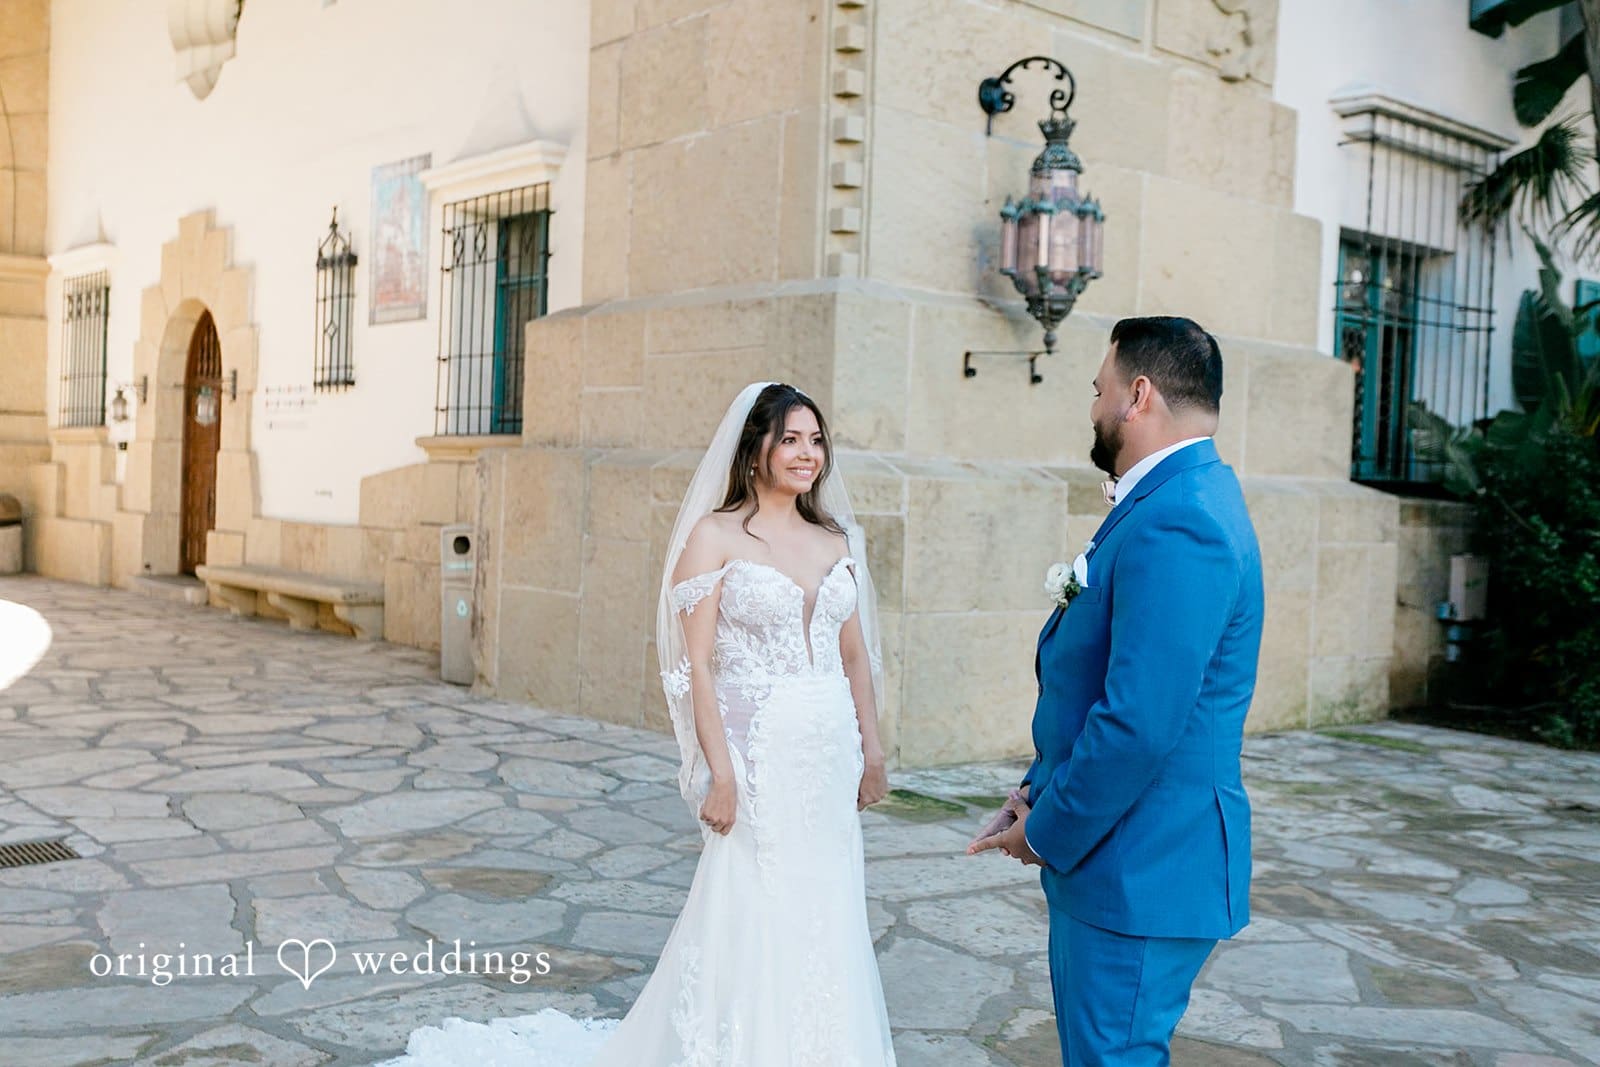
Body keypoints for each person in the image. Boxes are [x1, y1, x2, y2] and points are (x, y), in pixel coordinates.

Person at [385, 382, 896, 1065]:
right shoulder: (714, 536)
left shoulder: (834, 537)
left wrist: (873, 752)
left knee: (826, 906)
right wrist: (718, 770)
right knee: (752, 902)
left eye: (816, 439)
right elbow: (696, 668)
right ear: (755, 451)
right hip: (761, 759)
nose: (808, 454)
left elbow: (854, 654)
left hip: (828, 755)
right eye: (791, 439)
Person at [970, 317, 1265, 1067]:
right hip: (1131, 857)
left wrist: (1045, 832)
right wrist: (1038, 789)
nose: (1093, 407)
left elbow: (1138, 722)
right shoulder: (1176, 499)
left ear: (1139, 395)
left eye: (1099, 389)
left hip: (1142, 865)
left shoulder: (1181, 521)